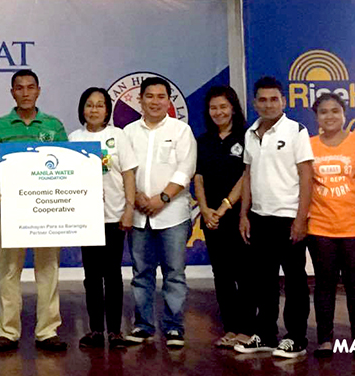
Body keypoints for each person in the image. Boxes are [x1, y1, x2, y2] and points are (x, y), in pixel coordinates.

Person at [0, 69, 69, 353]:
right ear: (12, 93)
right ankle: (8, 331)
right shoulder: (0, 126)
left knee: (48, 270)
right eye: (19, 88)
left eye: (30, 87)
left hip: (47, 211)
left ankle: (47, 330)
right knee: (8, 271)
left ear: (38, 91)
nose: (25, 92)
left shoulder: (54, 126)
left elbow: (70, 166)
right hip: (10, 211)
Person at [234, 76, 314, 359]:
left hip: (288, 218)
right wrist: (244, 214)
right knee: (263, 280)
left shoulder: (297, 131)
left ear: (284, 101)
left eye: (274, 99)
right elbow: (248, 176)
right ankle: (266, 334)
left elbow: (307, 176)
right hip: (259, 218)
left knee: (294, 280)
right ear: (255, 103)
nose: (268, 105)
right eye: (263, 100)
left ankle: (296, 337)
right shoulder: (250, 133)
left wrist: (301, 218)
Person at [121, 77, 196, 348]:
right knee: (141, 272)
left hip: (173, 213)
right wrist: (138, 197)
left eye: (160, 96)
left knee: (174, 272)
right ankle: (143, 325)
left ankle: (174, 327)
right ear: (139, 99)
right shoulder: (127, 132)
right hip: (139, 213)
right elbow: (124, 169)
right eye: (149, 96)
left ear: (168, 100)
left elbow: (185, 169)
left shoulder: (181, 130)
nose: (155, 101)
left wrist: (162, 198)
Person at [69, 87, 137, 349]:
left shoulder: (118, 136)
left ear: (107, 110)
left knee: (113, 275)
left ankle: (116, 332)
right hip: (87, 218)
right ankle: (96, 329)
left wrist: (129, 208)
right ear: (82, 109)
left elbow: (129, 175)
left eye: (99, 105)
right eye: (89, 104)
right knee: (91, 276)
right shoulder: (74, 138)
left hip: (114, 215)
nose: (94, 109)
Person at [306, 92, 355, 357]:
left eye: (335, 111)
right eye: (323, 112)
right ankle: (325, 340)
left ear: (344, 114)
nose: (329, 116)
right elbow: (304, 185)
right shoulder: (307, 145)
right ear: (316, 116)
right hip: (320, 227)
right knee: (324, 285)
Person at [192, 85, 250, 349]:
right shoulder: (203, 141)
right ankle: (230, 328)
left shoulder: (247, 136)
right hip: (211, 217)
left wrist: (225, 206)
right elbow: (199, 177)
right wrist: (204, 209)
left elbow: (246, 176)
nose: (218, 112)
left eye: (223, 106)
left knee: (245, 272)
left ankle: (248, 329)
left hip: (239, 216)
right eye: (213, 107)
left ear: (233, 108)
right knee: (222, 274)